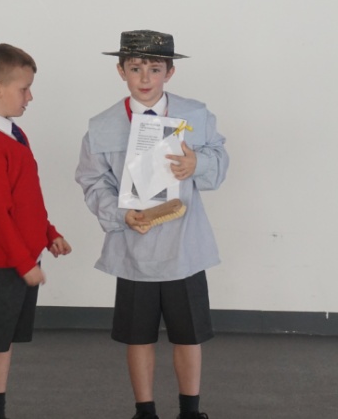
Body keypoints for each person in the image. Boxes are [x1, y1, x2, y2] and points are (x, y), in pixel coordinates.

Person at [75, 30, 228, 419]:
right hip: (134, 250)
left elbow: (219, 159)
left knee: (188, 336)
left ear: (170, 73)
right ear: (120, 71)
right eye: (135, 68)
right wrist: (120, 215)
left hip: (183, 248)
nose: (145, 78)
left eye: (155, 69)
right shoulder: (102, 125)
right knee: (138, 336)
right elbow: (93, 181)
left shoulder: (195, 115)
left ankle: (190, 411)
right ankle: (144, 411)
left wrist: (197, 163)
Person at [0, 43, 72, 419]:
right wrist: (25, 263)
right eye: (24, 89)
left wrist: (48, 233)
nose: (30, 97)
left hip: (19, 258)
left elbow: (25, 199)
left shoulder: (13, 134)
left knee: (1, 342)